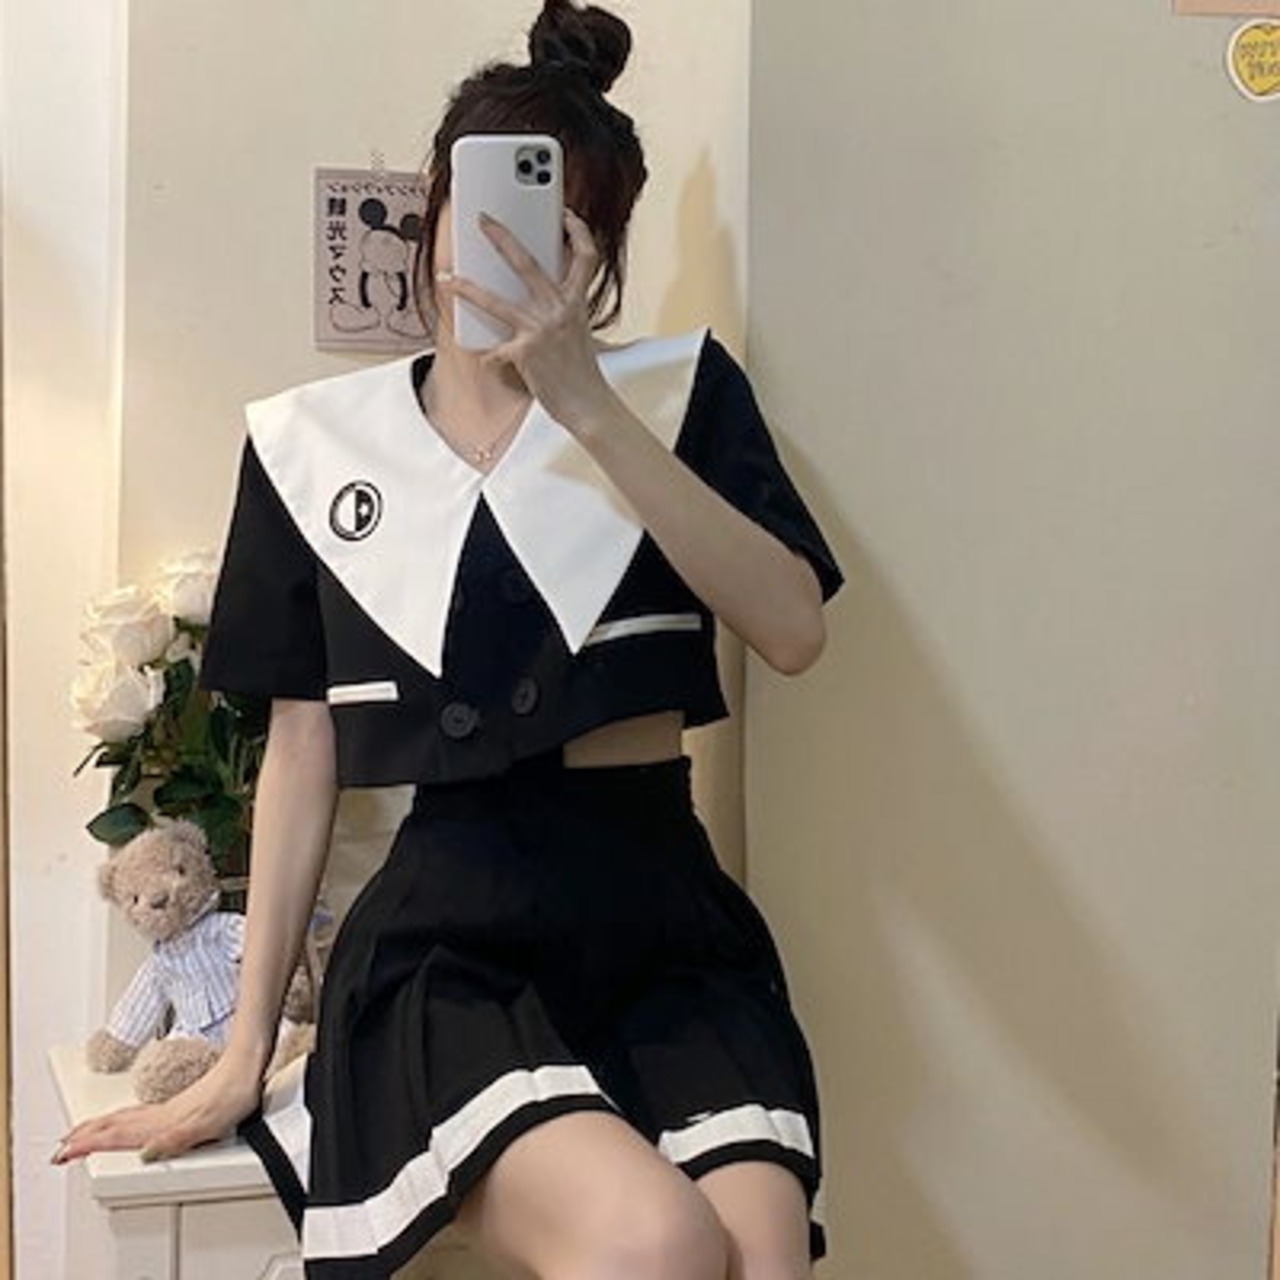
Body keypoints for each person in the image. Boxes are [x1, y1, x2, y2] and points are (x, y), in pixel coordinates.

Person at [55, 3, 844, 1277]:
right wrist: (246, 1049)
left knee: (760, 1253)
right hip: (449, 936)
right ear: (429, 213)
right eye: (479, 212)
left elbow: (793, 629)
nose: (504, 252)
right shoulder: (312, 446)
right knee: (655, 1242)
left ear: (598, 255)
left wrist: (586, 403)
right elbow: (302, 749)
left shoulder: (676, 396)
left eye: (554, 228)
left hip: (664, 914)